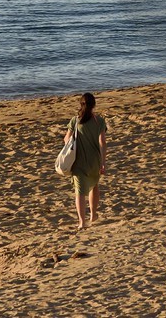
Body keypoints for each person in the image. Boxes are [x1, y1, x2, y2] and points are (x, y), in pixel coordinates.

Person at [65, 92, 109, 229]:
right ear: (93, 105)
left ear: (81, 104)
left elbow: (66, 139)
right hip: (94, 161)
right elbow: (102, 142)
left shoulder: (75, 120)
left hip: (78, 161)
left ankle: (82, 222)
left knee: (79, 191)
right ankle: (93, 215)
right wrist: (103, 162)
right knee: (94, 185)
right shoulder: (100, 121)